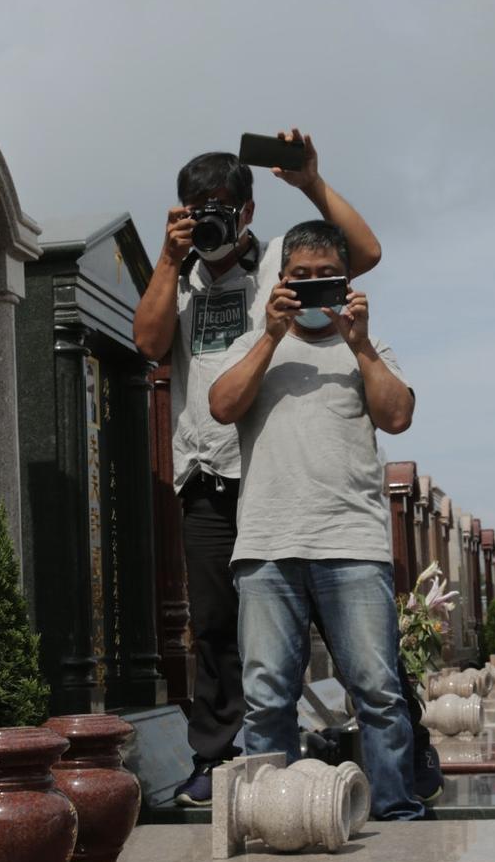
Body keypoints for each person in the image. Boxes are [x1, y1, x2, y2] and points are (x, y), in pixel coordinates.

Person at [131, 134, 382, 806]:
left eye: (221, 209)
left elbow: (365, 254)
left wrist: (311, 184)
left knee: (342, 621)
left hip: (279, 475)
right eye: (194, 208)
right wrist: (168, 254)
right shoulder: (177, 281)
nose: (210, 221)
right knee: (214, 626)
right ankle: (218, 762)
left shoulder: (277, 261)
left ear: (245, 213)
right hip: (209, 478)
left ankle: (399, 754)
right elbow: (149, 343)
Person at [206, 220, 424, 822]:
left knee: (378, 694)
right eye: (299, 278)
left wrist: (360, 344)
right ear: (279, 284)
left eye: (325, 277)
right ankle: (274, 820)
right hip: (267, 544)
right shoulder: (253, 343)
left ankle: (398, 817)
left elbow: (398, 415)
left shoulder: (368, 347)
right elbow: (221, 405)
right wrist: (271, 337)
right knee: (266, 699)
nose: (312, 289)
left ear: (347, 282)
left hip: (352, 543)